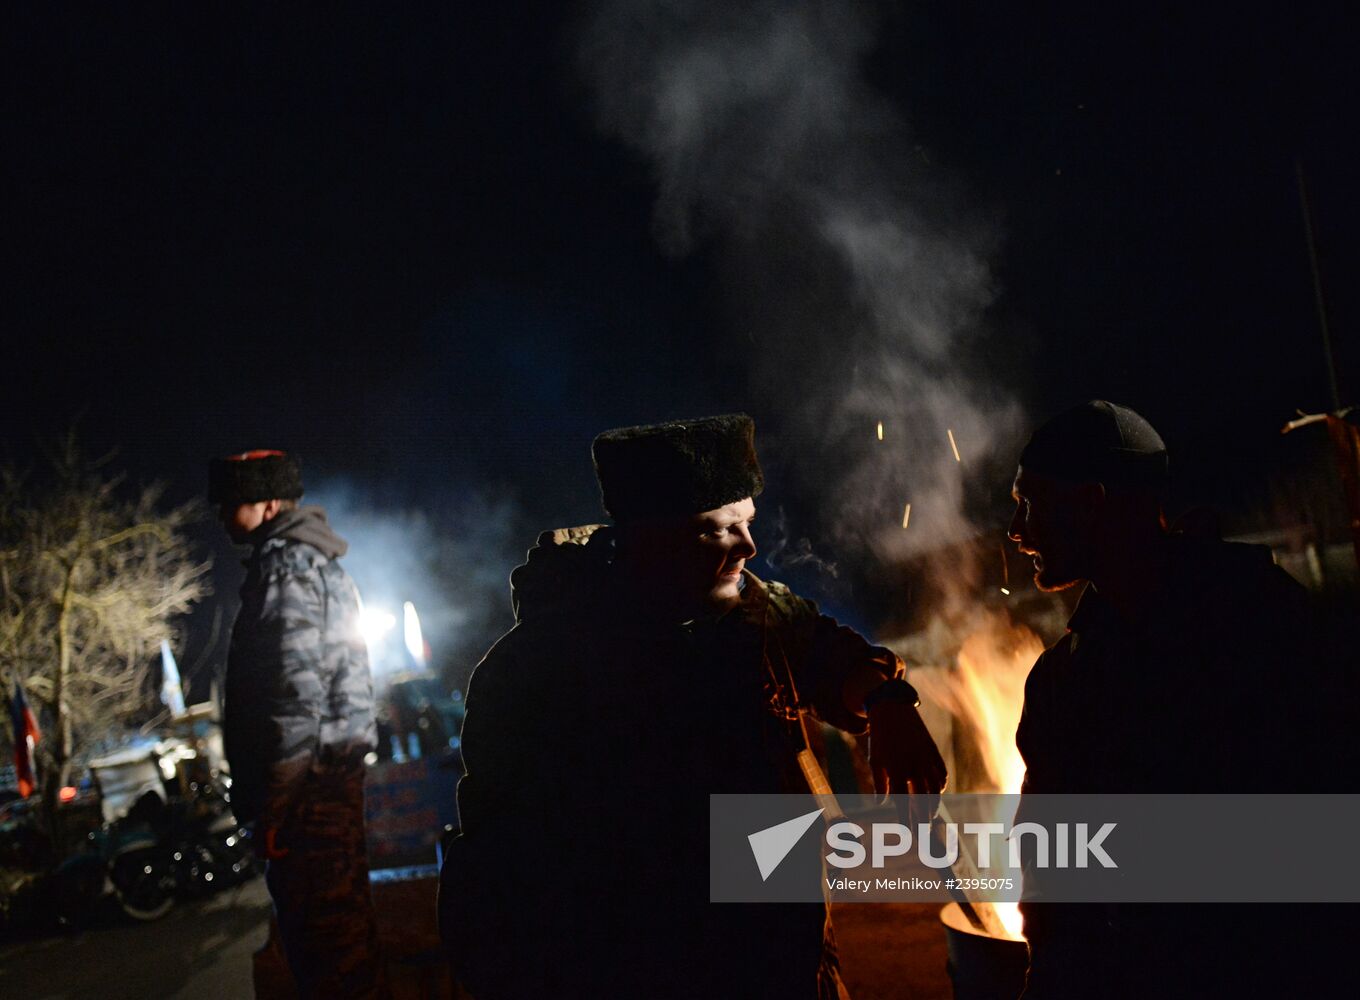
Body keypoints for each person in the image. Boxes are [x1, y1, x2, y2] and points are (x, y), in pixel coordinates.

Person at [439, 414, 946, 999]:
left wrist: (888, 701)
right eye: (717, 531)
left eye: (747, 523)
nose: (749, 548)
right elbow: (496, 883)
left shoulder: (758, 618)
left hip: (786, 965)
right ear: (648, 538)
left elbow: (839, 657)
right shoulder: (538, 670)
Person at [1007, 400, 1350, 999]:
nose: (1015, 531)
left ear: (1090, 503)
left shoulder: (1261, 624)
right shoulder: (1060, 679)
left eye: (1029, 502)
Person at [209, 449, 385, 998]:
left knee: (329, 959)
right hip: (327, 786)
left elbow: (292, 695)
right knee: (345, 952)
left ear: (265, 505)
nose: (219, 513)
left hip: (310, 796)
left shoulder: (287, 566)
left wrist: (276, 806)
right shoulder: (314, 563)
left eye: (229, 501)